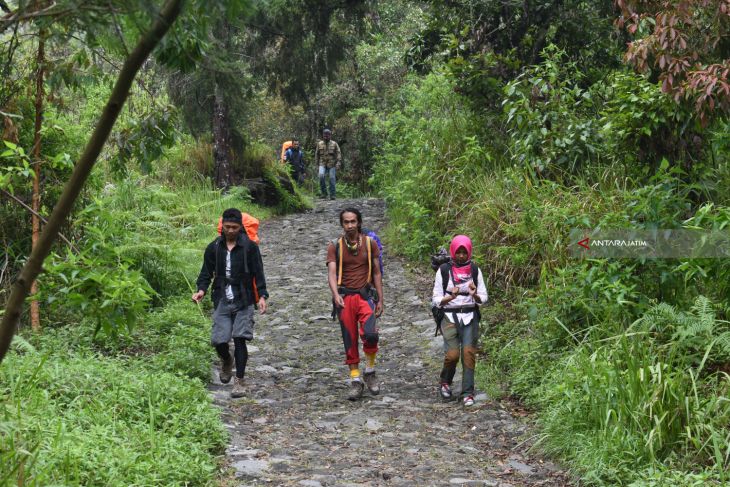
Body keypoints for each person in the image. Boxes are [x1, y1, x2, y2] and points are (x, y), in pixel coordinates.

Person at [192, 208, 269, 398]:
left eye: (235, 227)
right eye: (227, 227)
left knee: (240, 338)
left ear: (241, 227)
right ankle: (227, 359)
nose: (231, 230)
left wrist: (262, 296)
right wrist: (201, 290)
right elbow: (205, 272)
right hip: (221, 297)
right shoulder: (214, 248)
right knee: (219, 340)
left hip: (244, 298)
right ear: (222, 226)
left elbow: (258, 273)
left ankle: (240, 381)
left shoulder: (250, 247)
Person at [327, 208, 384, 400]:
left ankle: (370, 371)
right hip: (345, 299)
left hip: (365, 296)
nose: (350, 225)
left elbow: (377, 272)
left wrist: (380, 299)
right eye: (346, 222)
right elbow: (332, 273)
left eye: (353, 221)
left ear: (359, 222)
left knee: (370, 334)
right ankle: (355, 379)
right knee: (349, 339)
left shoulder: (370, 244)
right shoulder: (335, 246)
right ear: (341, 224)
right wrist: (335, 294)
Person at [432, 235, 487, 406]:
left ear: (469, 252)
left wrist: (474, 294)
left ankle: (468, 392)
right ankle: (445, 381)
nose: (461, 256)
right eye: (458, 252)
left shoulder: (475, 270)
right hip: (449, 315)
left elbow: (483, 297)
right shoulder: (444, 270)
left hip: (470, 315)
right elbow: (436, 298)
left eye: (465, 252)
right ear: (453, 251)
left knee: (469, 353)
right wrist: (451, 297)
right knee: (453, 354)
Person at [315, 128, 341, 200]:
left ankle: (332, 195)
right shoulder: (319, 144)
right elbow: (317, 154)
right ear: (323, 135)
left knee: (332, 178)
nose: (326, 136)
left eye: (328, 135)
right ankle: (324, 193)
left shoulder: (334, 144)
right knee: (321, 176)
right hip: (322, 163)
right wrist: (317, 165)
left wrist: (338, 162)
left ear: (330, 135)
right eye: (325, 134)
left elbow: (338, 153)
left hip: (332, 164)